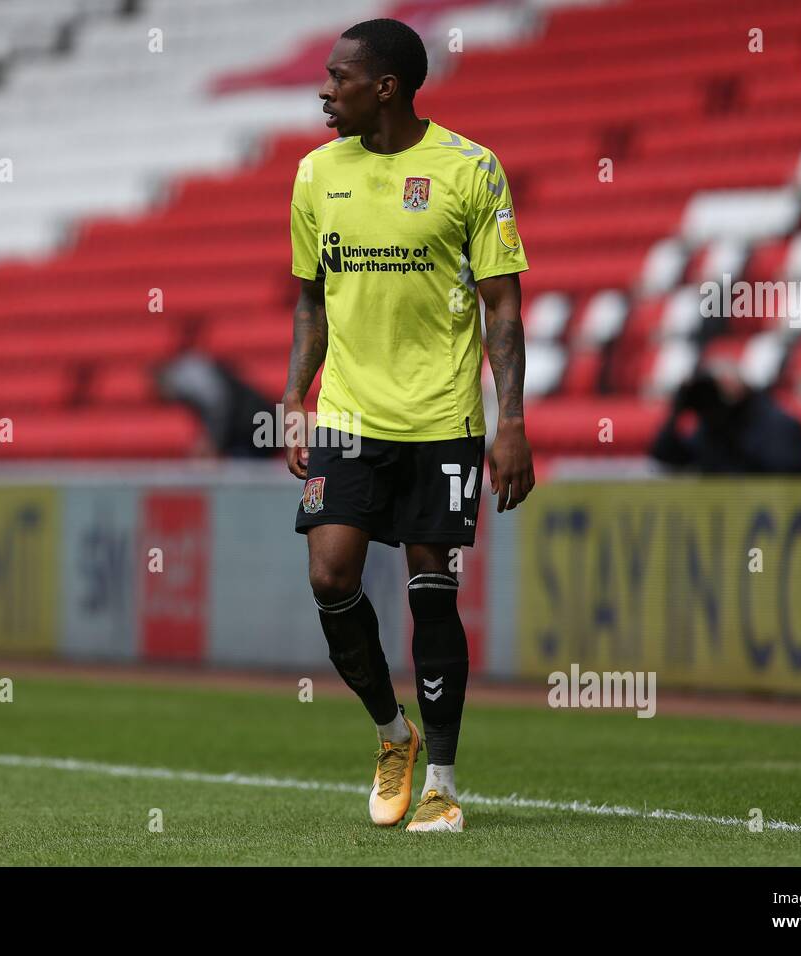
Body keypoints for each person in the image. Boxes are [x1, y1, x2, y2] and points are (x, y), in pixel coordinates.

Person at [281, 18, 534, 832]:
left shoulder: (470, 170)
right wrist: (295, 396)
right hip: (349, 414)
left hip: (441, 416)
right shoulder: (316, 173)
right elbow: (310, 298)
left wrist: (513, 423)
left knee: (433, 590)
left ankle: (444, 784)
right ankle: (394, 734)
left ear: (384, 87)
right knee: (330, 575)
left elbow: (502, 306)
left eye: (339, 77)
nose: (324, 90)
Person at [650, 359, 801, 475]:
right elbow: (665, 455)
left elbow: (782, 475)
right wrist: (677, 410)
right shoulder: (710, 429)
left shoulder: (779, 425)